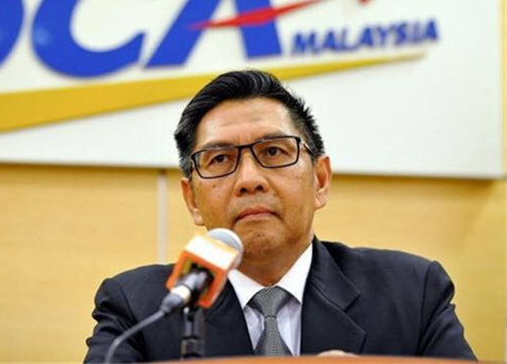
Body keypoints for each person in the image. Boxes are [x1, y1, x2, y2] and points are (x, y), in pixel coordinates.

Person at [84, 70, 475, 362]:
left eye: (273, 152)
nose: (249, 180)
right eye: (220, 160)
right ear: (192, 200)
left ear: (320, 180)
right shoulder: (142, 309)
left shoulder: (412, 292)